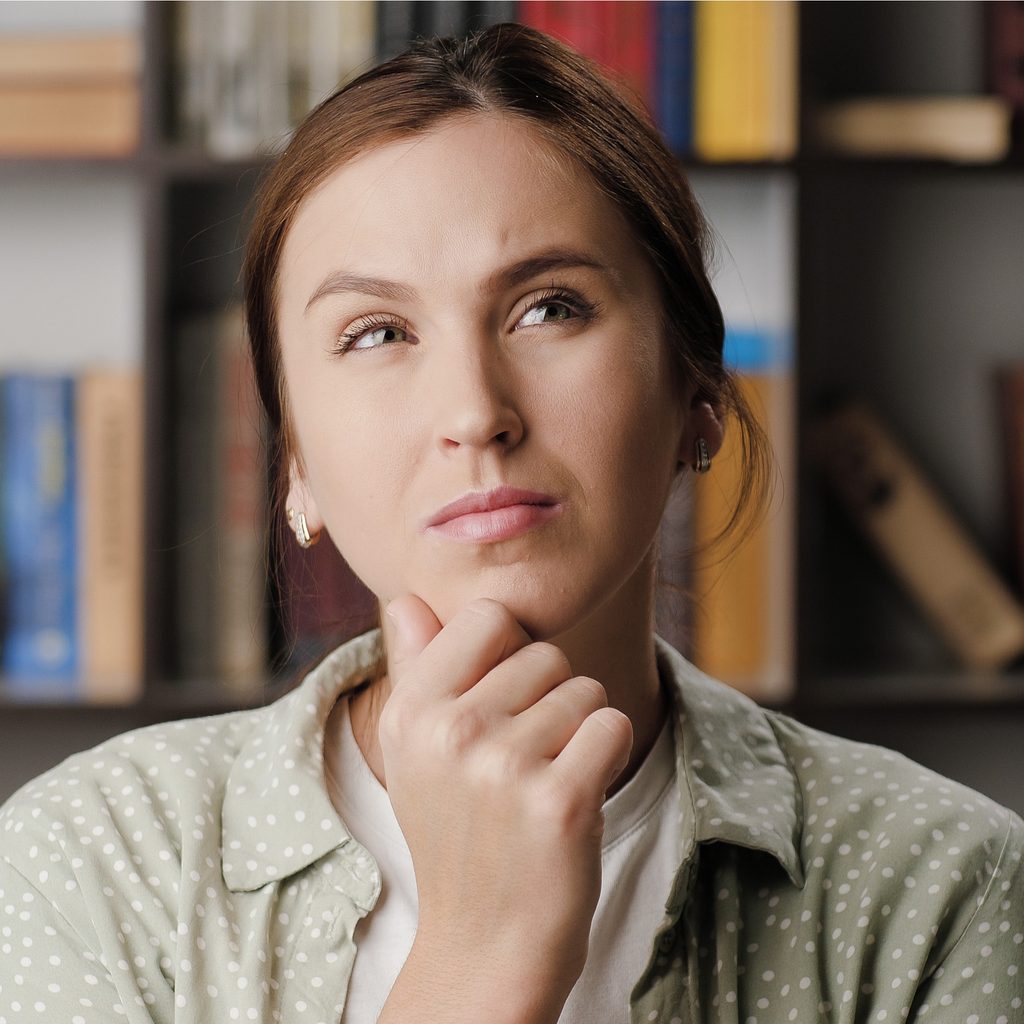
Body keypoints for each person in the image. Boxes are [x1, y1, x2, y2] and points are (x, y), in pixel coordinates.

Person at [1, 22, 1022, 1024]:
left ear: (696, 394)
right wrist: (481, 958)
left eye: (549, 308)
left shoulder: (941, 886)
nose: (473, 412)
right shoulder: (90, 865)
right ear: (295, 471)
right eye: (376, 332)